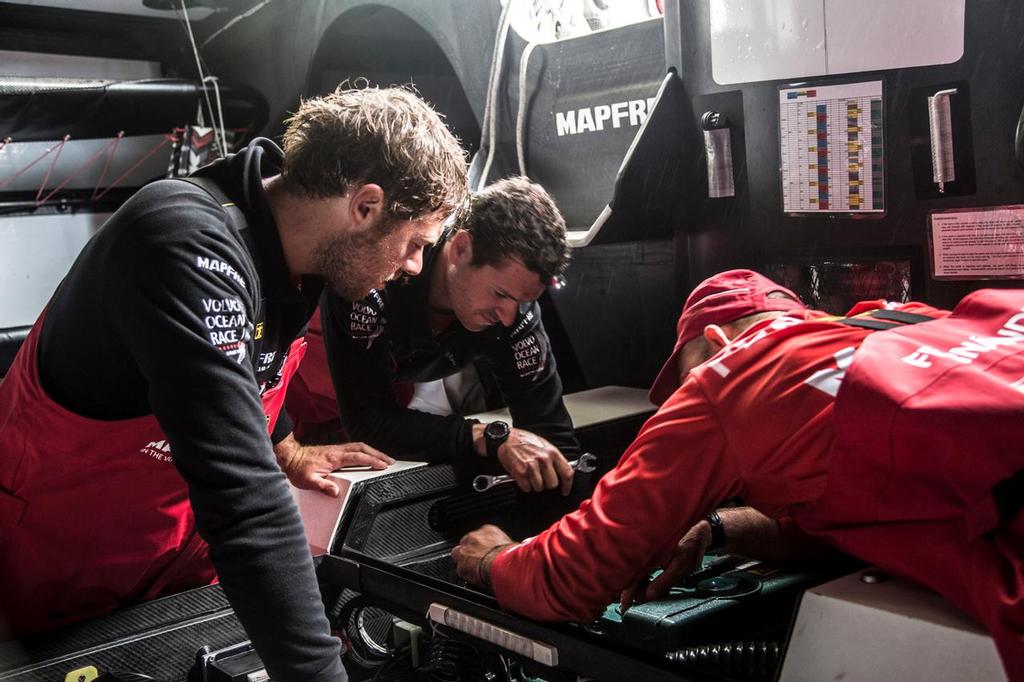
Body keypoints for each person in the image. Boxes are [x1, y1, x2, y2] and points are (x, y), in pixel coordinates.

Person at [0, 85, 468, 681]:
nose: (413, 268)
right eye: (415, 244)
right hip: (51, 575)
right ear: (366, 206)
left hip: (170, 568)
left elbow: (246, 369)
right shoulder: (183, 238)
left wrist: (286, 442)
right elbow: (243, 501)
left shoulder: (300, 256)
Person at [452, 269, 1024, 679]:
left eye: (680, 382)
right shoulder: (906, 321)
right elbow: (858, 514)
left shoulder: (728, 375)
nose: (678, 401)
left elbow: (570, 578)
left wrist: (490, 560)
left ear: (718, 343)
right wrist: (720, 527)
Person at [288, 176, 581, 494]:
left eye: (522, 301)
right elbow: (369, 421)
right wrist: (489, 436)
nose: (508, 316)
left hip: (391, 385)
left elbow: (551, 434)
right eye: (499, 294)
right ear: (461, 248)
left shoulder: (514, 313)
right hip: (301, 384)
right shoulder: (380, 273)